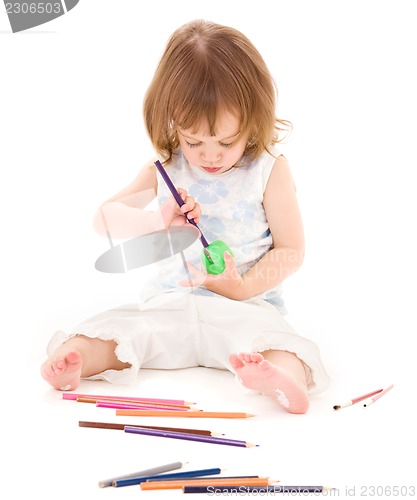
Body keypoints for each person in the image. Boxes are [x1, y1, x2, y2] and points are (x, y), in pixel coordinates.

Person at [41, 19, 330, 414]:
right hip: (171, 305)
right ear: (171, 119)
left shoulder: (268, 170)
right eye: (194, 141)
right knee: (125, 328)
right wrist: (153, 222)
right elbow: (103, 219)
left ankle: (280, 378)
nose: (210, 156)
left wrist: (240, 287)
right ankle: (77, 360)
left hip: (243, 310)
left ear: (255, 119)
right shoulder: (165, 168)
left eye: (227, 141)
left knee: (275, 341)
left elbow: (291, 250)